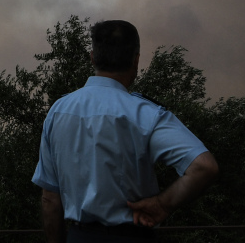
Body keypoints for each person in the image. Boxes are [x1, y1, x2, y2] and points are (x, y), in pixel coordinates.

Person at [32, 20, 219, 243]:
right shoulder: (146, 114)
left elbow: (50, 200)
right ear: (136, 60)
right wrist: (162, 204)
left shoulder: (58, 112)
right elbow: (204, 167)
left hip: (79, 237)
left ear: (92, 57)